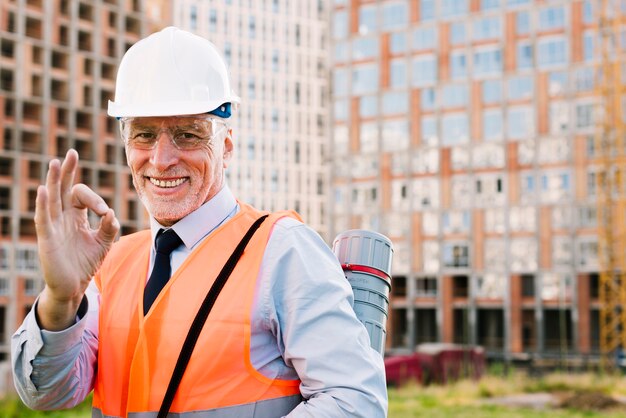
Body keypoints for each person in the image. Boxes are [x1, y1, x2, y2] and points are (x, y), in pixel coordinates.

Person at [11, 26, 386, 417]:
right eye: (143, 135)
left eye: (188, 135)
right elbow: (45, 395)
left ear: (225, 147)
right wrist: (60, 300)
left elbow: (354, 401)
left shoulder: (283, 250)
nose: (161, 159)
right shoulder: (110, 262)